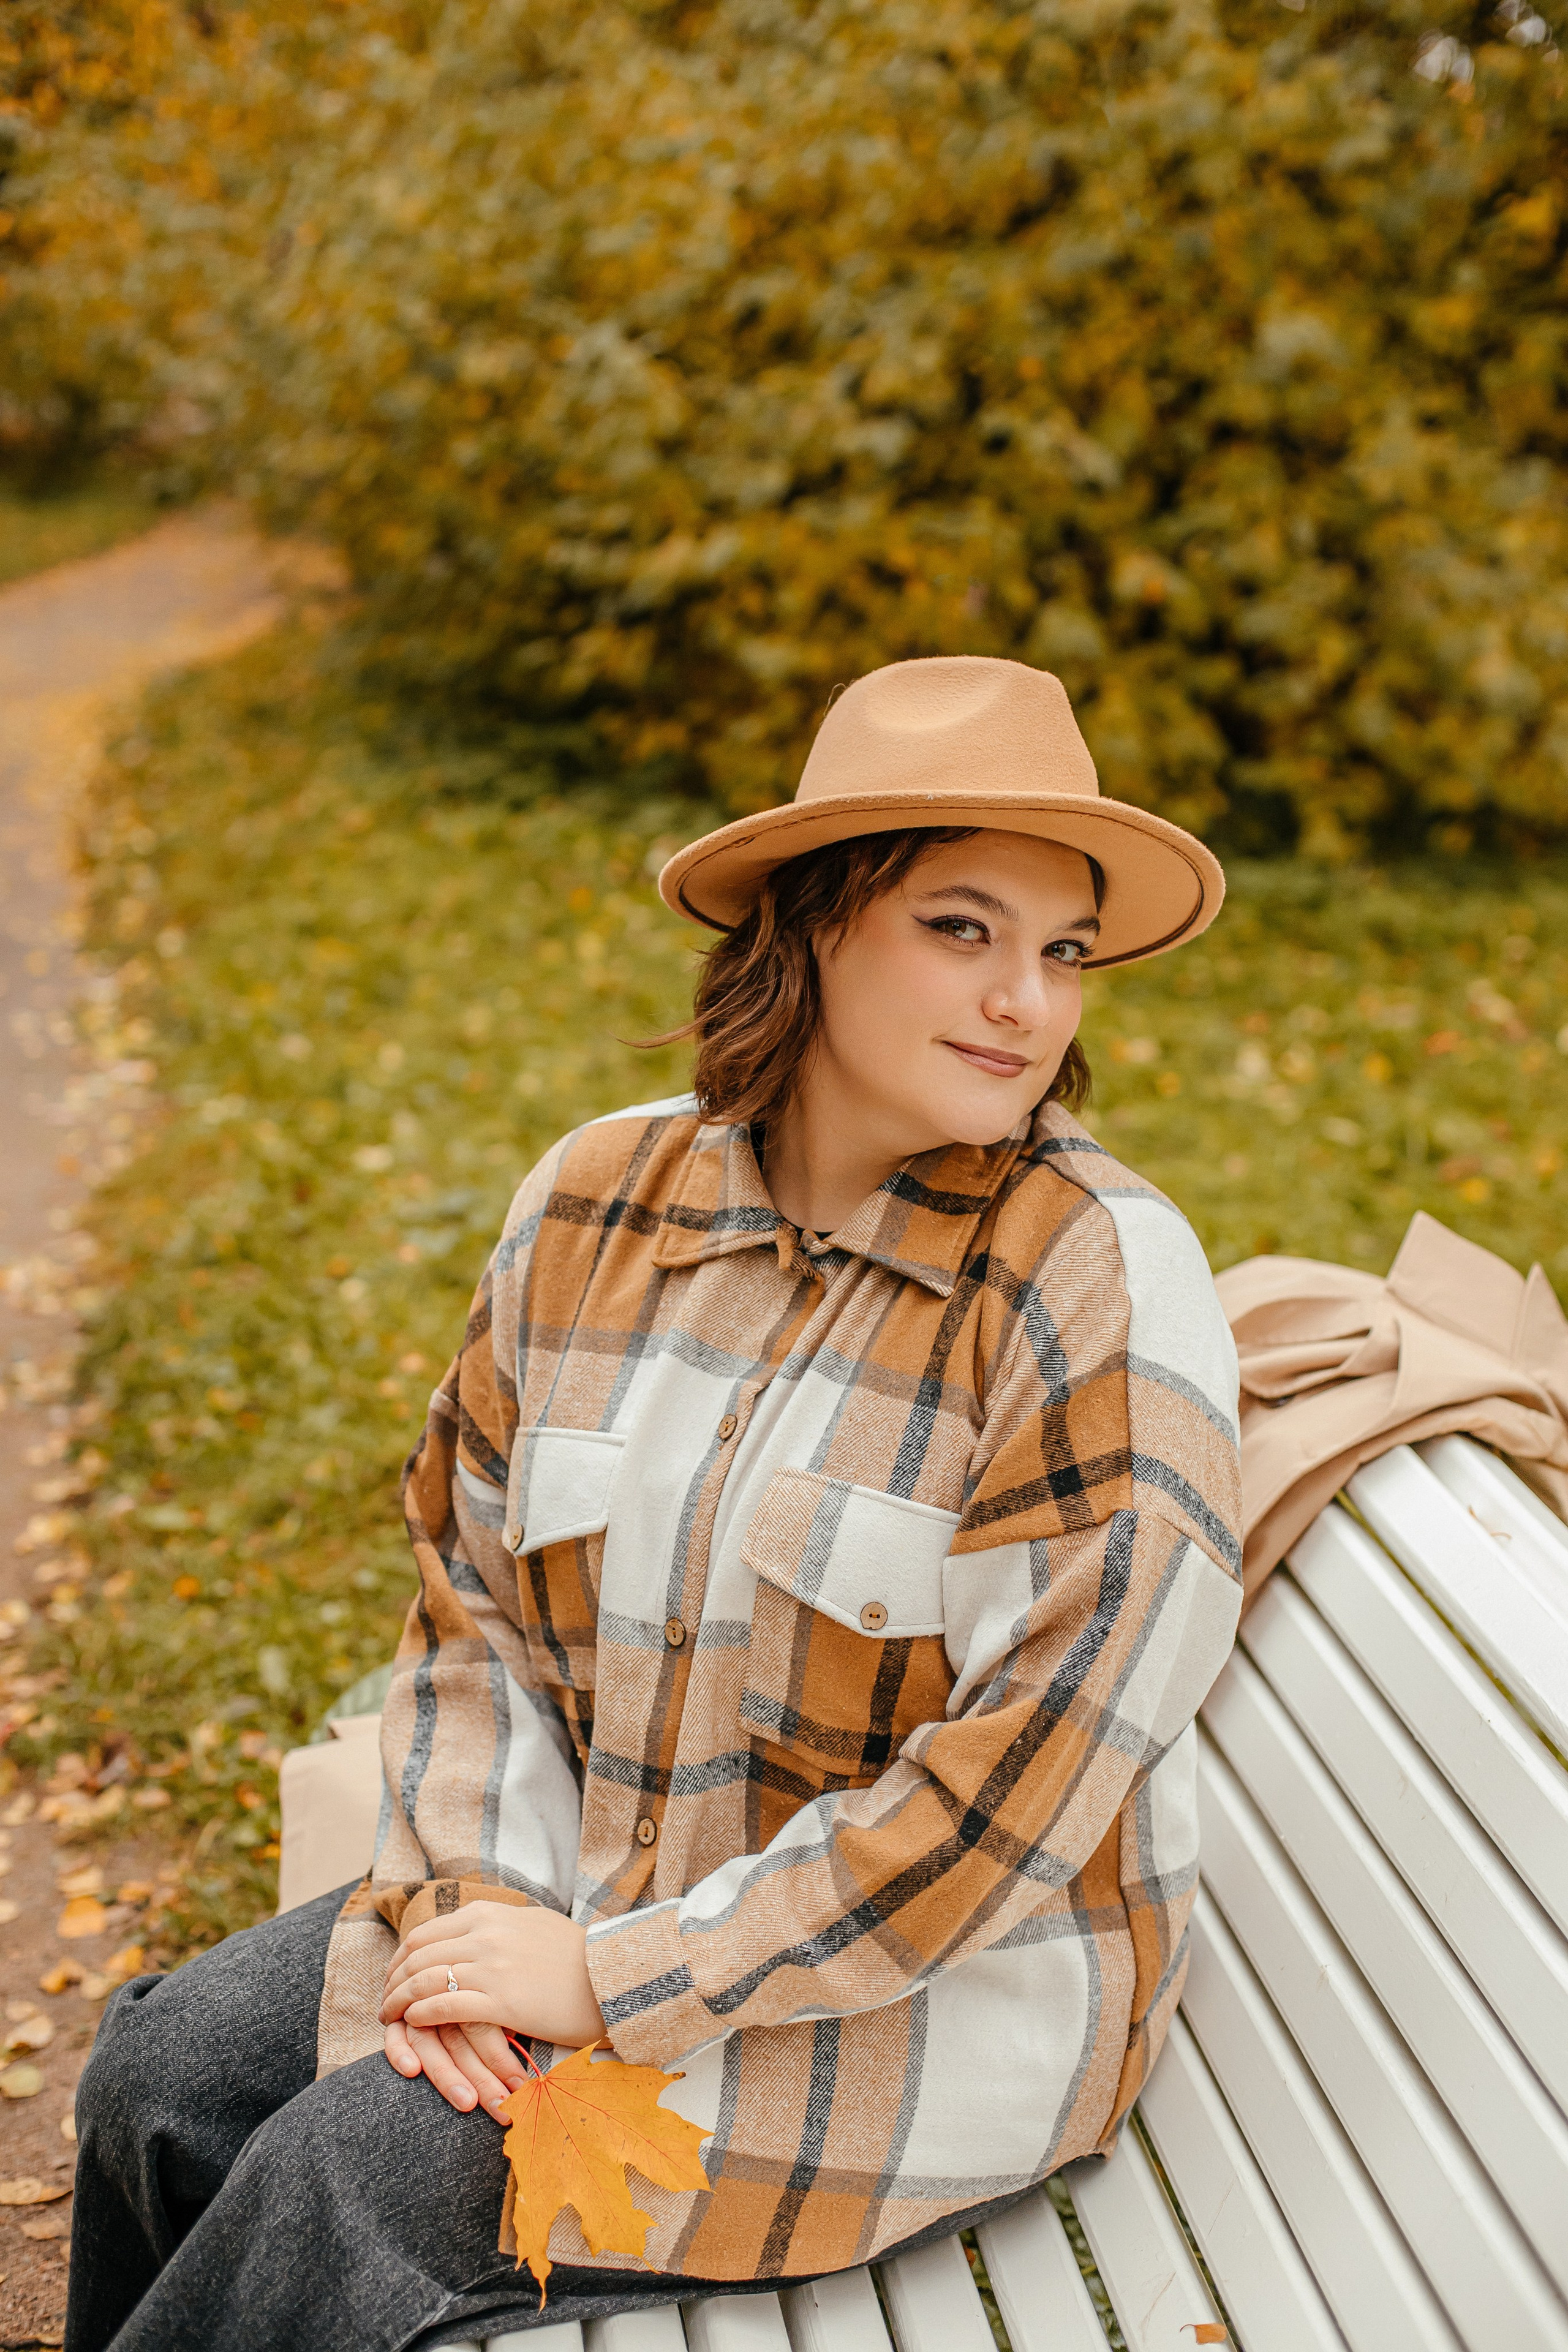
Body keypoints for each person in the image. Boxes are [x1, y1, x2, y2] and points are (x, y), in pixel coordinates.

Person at [68, 656, 1243, 2351]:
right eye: (962, 929)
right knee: (161, 2070)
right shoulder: (597, 1203)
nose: (1027, 1005)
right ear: (811, 925)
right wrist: (473, 1905)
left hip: (927, 1999)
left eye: (1063, 951)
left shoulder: (1092, 1280)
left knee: (350, 2175)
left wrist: (611, 1981)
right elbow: (472, 1605)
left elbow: (1019, 1797)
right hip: (603, 1878)